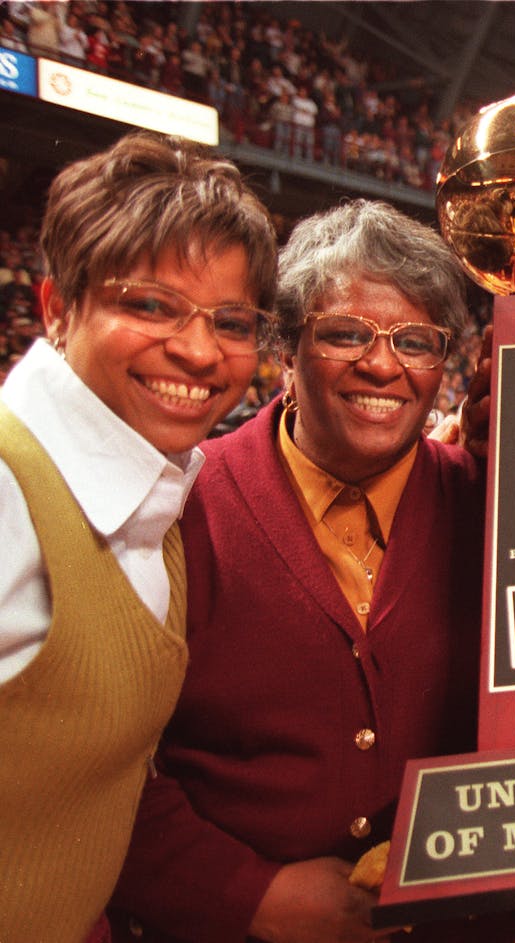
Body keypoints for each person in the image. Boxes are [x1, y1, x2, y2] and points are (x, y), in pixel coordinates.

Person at [108, 200, 515, 943]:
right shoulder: (177, 507)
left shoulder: (490, 507)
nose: (383, 364)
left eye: (416, 341)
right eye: (346, 334)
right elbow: (102, 769)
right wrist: (249, 896)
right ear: (285, 350)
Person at [0, 130, 277, 942]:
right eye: (148, 305)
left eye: (231, 321)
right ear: (57, 306)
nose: (197, 350)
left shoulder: (161, 481)